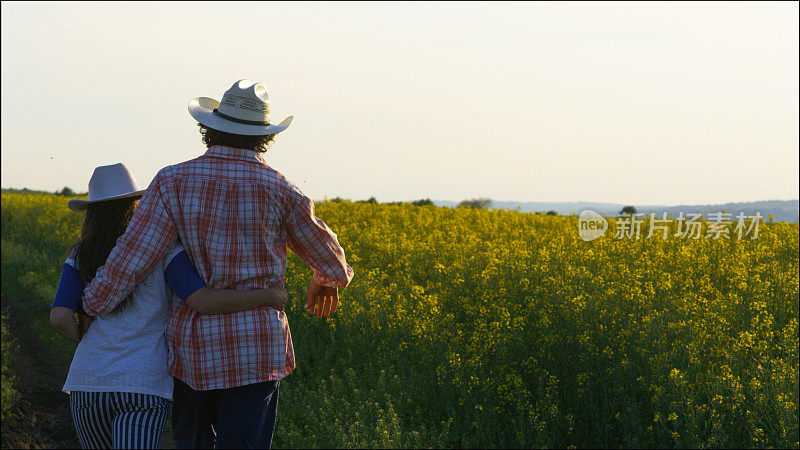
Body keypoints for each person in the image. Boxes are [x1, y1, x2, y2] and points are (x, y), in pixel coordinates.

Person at [80, 79, 355, 449]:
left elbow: (131, 259)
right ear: (264, 136)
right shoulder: (283, 190)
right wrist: (325, 278)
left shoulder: (171, 181)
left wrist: (91, 305)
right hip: (258, 350)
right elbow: (332, 259)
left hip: (192, 350)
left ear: (210, 127)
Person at [49, 163, 288, 449]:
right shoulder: (164, 249)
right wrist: (269, 297)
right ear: (136, 206)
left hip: (88, 383)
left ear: (91, 214)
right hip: (144, 385)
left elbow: (60, 317)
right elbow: (201, 300)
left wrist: (89, 340)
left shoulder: (80, 254)